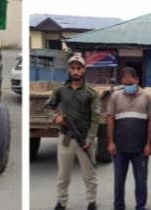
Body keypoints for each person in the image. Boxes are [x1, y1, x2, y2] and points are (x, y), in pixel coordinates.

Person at [46, 53, 102, 210]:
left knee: (89, 176)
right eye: (73, 68)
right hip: (66, 139)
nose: (75, 71)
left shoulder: (91, 93)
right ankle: (61, 202)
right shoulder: (61, 91)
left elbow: (95, 119)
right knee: (63, 176)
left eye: (79, 68)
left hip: (85, 140)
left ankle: (91, 202)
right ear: (69, 70)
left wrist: (90, 139)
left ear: (84, 70)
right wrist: (55, 118)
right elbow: (48, 107)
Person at [107, 66, 151, 210]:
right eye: (125, 84)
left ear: (137, 80)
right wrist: (111, 142)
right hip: (120, 149)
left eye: (130, 83)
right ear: (121, 82)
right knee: (119, 182)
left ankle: (141, 206)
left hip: (140, 150)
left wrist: (149, 144)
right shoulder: (115, 96)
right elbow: (110, 119)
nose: (128, 86)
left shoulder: (148, 97)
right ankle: (119, 206)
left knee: (141, 181)